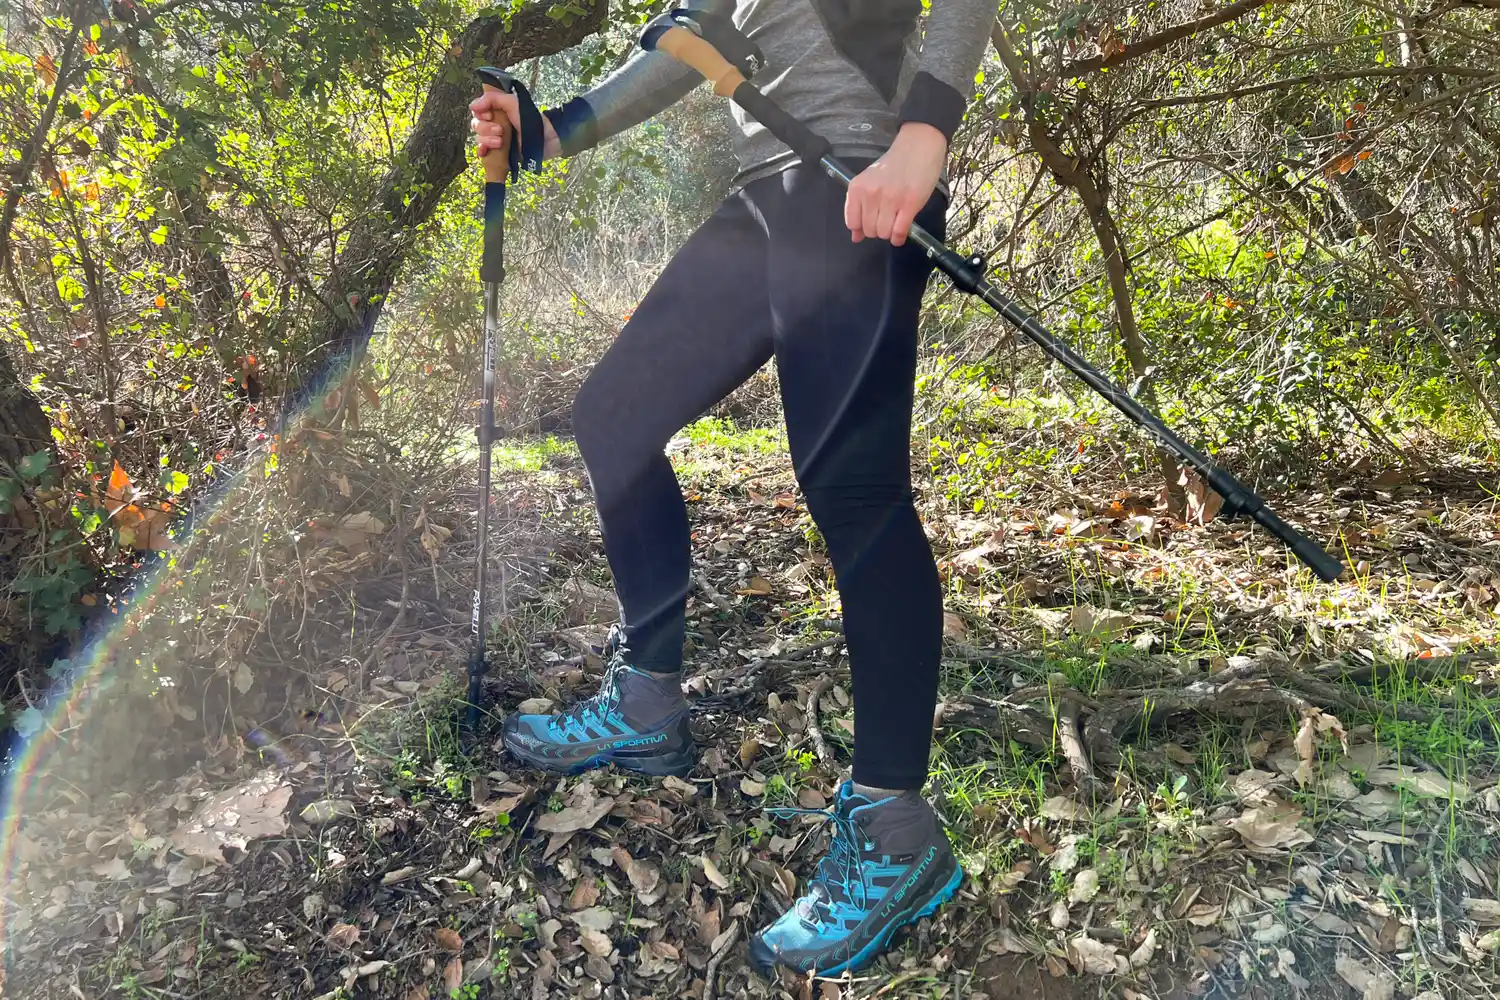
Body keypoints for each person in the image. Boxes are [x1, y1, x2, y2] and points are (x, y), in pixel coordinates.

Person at [470, 0, 993, 977]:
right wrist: (549, 131)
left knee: (854, 488)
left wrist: (924, 137)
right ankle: (646, 702)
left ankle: (895, 826)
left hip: (858, 174)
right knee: (615, 416)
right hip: (769, 190)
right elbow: (694, 39)